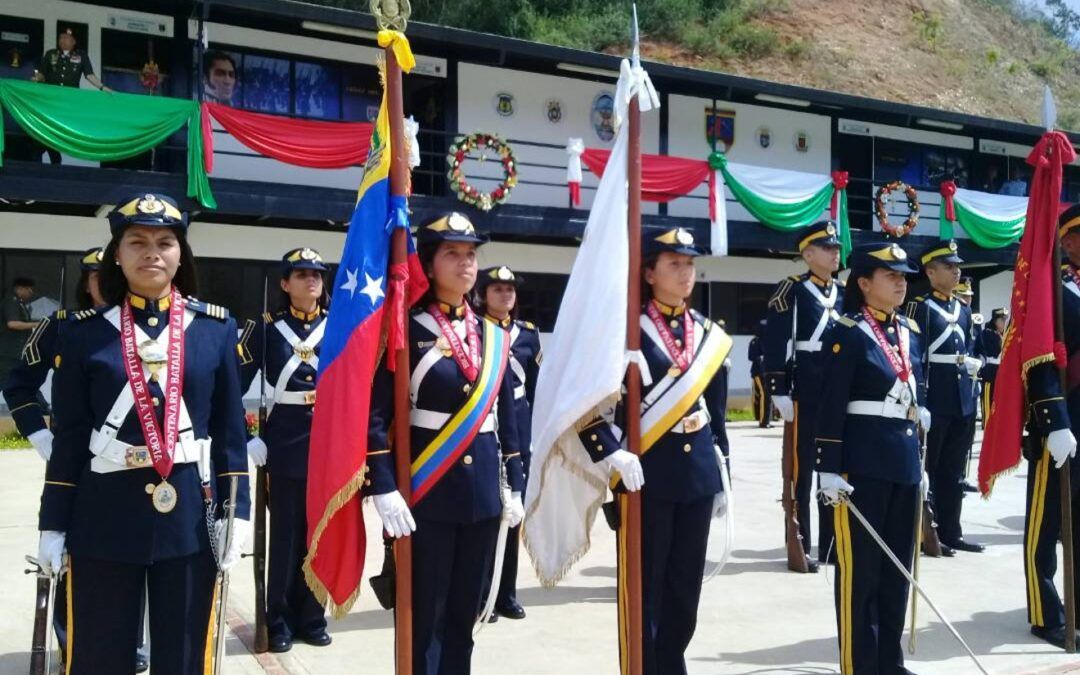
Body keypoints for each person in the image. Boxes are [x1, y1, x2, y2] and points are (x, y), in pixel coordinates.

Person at [36, 192, 251, 674]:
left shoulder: (215, 329)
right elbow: (69, 438)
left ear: (181, 255)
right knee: (100, 653)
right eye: (137, 241)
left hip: (190, 520)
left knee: (182, 655)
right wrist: (53, 522)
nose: (151, 252)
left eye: (165, 242)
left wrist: (237, 512)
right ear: (118, 253)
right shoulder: (82, 333)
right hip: (103, 516)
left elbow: (229, 430)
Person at [367, 212, 526, 674]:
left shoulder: (493, 335)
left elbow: (508, 418)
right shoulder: (405, 329)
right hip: (427, 492)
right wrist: (382, 483)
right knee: (424, 615)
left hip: (481, 498)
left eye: (471, 254)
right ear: (429, 264)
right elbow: (376, 413)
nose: (465, 264)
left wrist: (514, 483)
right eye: (452, 254)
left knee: (466, 613)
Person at [577, 226, 733, 675]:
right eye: (674, 265)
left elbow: (715, 410)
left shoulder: (706, 333)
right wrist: (610, 452)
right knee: (644, 590)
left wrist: (721, 469)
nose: (686, 273)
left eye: (690, 264)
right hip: (646, 477)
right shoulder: (627, 332)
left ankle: (672, 665)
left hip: (698, 477)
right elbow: (586, 405)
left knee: (685, 591)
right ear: (649, 272)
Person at [0, 247, 154, 671]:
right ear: (87, 282)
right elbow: (19, 385)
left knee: (134, 555)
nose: (104, 281)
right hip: (79, 464)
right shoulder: (63, 327)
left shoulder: (155, 330)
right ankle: (75, 647)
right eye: (95, 274)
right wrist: (40, 437)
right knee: (74, 559)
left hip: (140, 466)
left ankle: (131, 643)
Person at [815, 241, 929, 675]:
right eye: (891, 275)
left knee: (896, 572)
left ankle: (889, 663)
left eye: (904, 276)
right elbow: (830, 403)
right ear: (863, 283)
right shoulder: (846, 331)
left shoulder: (910, 332)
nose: (901, 282)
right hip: (860, 468)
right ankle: (859, 666)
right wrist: (826, 467)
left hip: (902, 463)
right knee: (861, 574)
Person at [240, 247, 332, 653]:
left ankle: (312, 617)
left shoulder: (337, 327)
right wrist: (248, 437)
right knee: (285, 541)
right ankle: (277, 620)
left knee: (320, 538)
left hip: (328, 448)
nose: (309, 280)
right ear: (284, 283)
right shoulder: (264, 330)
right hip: (285, 447)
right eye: (300, 274)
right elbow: (229, 386)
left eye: (315, 274)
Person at [763, 220, 844, 570]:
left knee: (832, 468)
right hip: (804, 390)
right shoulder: (791, 290)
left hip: (836, 391)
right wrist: (778, 388)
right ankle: (802, 544)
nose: (835, 252)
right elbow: (776, 339)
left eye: (836, 248)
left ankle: (831, 543)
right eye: (827, 248)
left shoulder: (844, 291)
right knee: (802, 471)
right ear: (808, 254)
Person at [1022, 204, 1080, 649]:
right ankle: (1045, 613)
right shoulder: (1052, 292)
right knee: (1045, 526)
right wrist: (1053, 420)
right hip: (1060, 425)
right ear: (1067, 240)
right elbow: (1041, 360)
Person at [905, 240, 984, 555]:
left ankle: (952, 532)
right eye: (949, 267)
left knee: (954, 472)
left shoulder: (962, 309)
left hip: (962, 398)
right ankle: (928, 532)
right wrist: (919, 400)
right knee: (930, 468)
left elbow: (970, 351)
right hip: (935, 398)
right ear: (931, 271)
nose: (956, 271)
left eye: (957, 266)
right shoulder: (919, 307)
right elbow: (915, 358)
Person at [475, 265, 542, 622]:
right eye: (497, 289)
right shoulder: (475, 330)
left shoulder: (528, 335)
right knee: (487, 513)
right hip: (482, 419)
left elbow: (535, 387)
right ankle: (482, 593)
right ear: (483, 294)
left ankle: (506, 593)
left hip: (519, 420)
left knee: (513, 513)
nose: (505, 295)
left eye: (510, 290)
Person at [32, 27, 111, 164]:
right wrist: (36, 78)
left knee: (58, 131)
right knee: (46, 129)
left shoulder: (81, 55)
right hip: (50, 101)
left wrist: (103, 87)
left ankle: (51, 155)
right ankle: (47, 156)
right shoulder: (50, 54)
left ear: (73, 41)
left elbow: (89, 75)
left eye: (66, 38)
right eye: (61, 37)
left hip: (68, 103)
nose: (62, 40)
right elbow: (42, 74)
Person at [1, 277, 38, 384]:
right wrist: (37, 324)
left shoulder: (20, 303)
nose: (31, 292)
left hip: (17, 352)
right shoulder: (12, 301)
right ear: (20, 289)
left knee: (20, 381)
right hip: (8, 352)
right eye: (29, 289)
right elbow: (12, 323)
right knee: (8, 380)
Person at [978, 307, 1007, 428]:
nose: (1004, 323)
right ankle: (987, 424)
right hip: (990, 370)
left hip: (1001, 370)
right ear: (995, 321)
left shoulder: (1003, 334)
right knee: (988, 399)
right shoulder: (987, 333)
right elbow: (994, 351)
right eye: (1002, 320)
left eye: (1005, 320)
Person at [748, 319, 772, 428]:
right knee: (764, 394)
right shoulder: (755, 341)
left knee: (766, 395)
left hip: (766, 371)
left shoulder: (768, 341)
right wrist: (760, 358)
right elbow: (751, 357)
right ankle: (763, 421)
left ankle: (765, 419)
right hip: (758, 372)